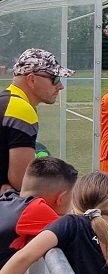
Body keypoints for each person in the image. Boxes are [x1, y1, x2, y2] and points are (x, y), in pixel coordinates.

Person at [2, 49, 73, 193]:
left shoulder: (6, 101)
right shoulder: (21, 110)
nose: (60, 86)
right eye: (55, 79)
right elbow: (22, 181)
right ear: (32, 80)